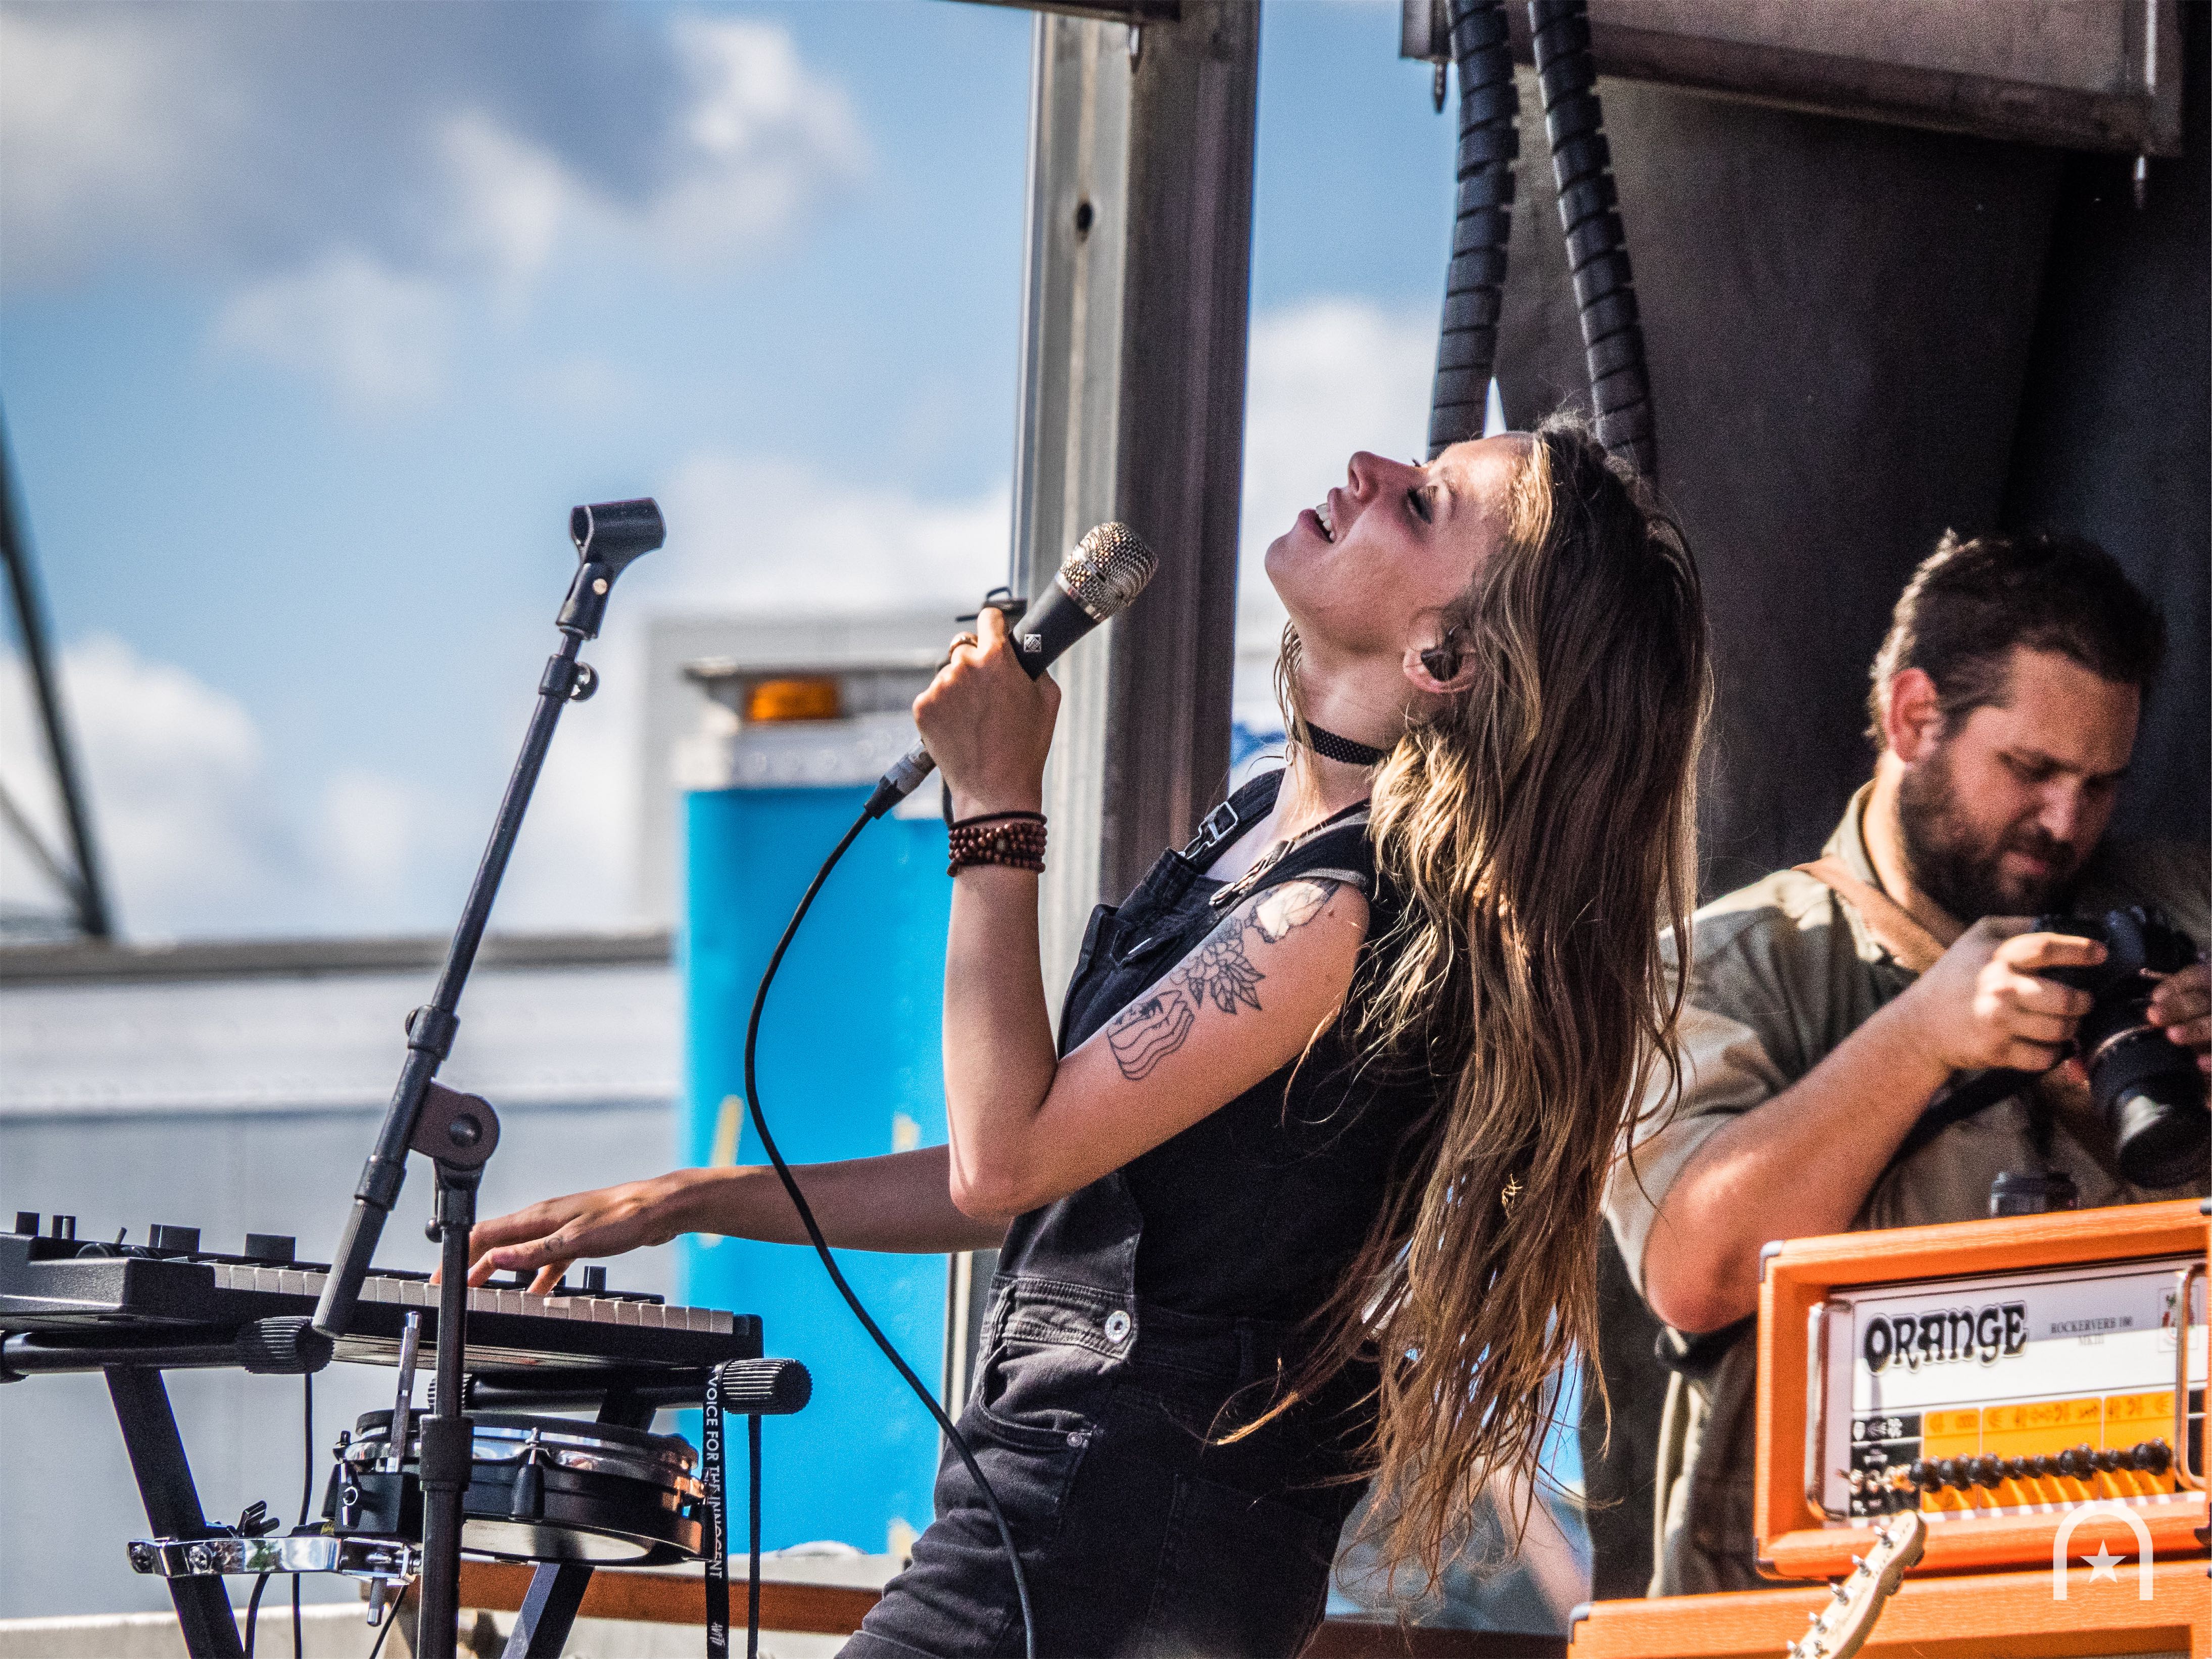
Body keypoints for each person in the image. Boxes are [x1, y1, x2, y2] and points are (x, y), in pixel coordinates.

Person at [468, 414, 1711, 1656]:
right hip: (1065, 1525)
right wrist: (694, 1198)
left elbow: (1001, 1163)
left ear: (1446, 657)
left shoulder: (1333, 910)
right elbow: (1038, 1179)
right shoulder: (1258, 843)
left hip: (1109, 1548)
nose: (1373, 469)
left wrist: (996, 804)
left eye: (1425, 503)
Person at [1606, 529, 2210, 1597]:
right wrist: (1919, 1035)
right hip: (1826, 1614)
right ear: (1910, 716)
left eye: (2100, 783)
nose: (2063, 821)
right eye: (2027, 769)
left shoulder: (2176, 915)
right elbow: (1693, 1271)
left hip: (2133, 1593)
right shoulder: (1722, 973)